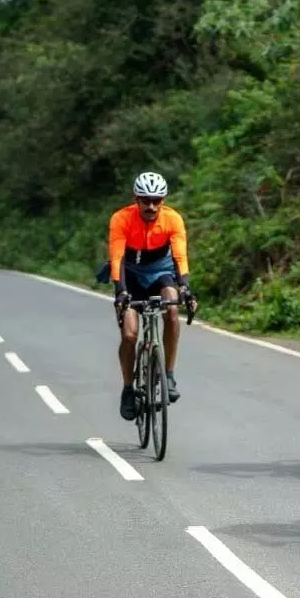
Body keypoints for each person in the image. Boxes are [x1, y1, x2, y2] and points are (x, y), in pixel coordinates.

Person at [108, 172, 196, 421]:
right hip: (131, 275)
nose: (151, 206)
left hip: (161, 273)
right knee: (129, 334)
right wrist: (121, 292)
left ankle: (168, 374)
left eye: (157, 200)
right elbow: (117, 257)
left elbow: (180, 256)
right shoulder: (121, 219)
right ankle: (127, 388)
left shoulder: (173, 219)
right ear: (136, 199)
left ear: (163, 200)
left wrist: (186, 287)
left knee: (171, 309)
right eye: (145, 200)